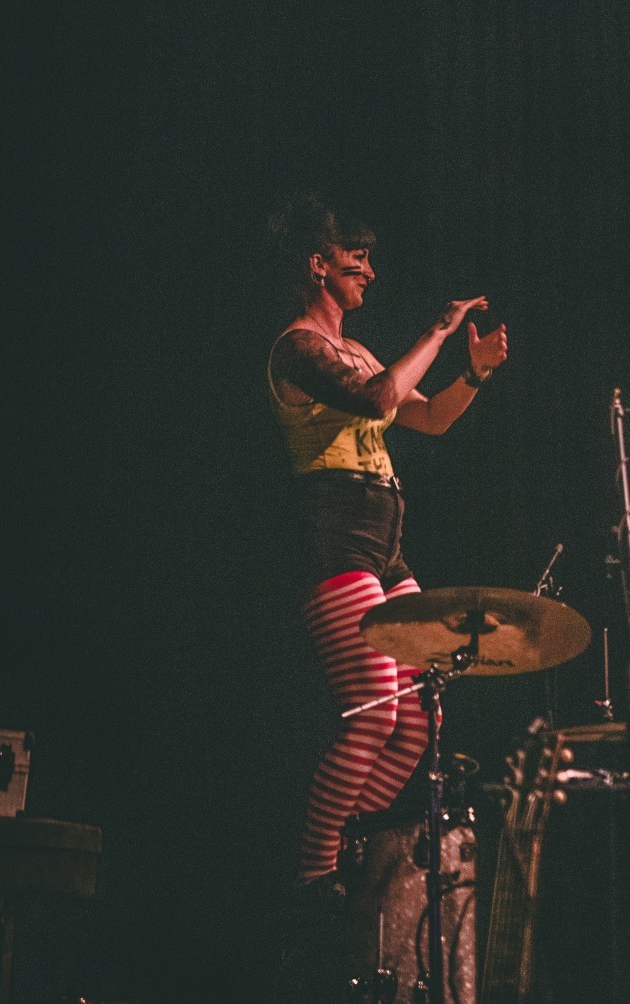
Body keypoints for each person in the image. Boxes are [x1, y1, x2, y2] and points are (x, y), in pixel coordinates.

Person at [266, 193, 508, 897]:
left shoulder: (360, 351)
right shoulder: (299, 348)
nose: (369, 271)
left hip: (383, 536)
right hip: (335, 530)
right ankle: (315, 871)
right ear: (319, 265)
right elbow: (378, 400)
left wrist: (474, 372)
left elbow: (428, 418)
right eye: (357, 257)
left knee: (420, 717)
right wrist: (439, 329)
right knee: (374, 708)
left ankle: (354, 850)